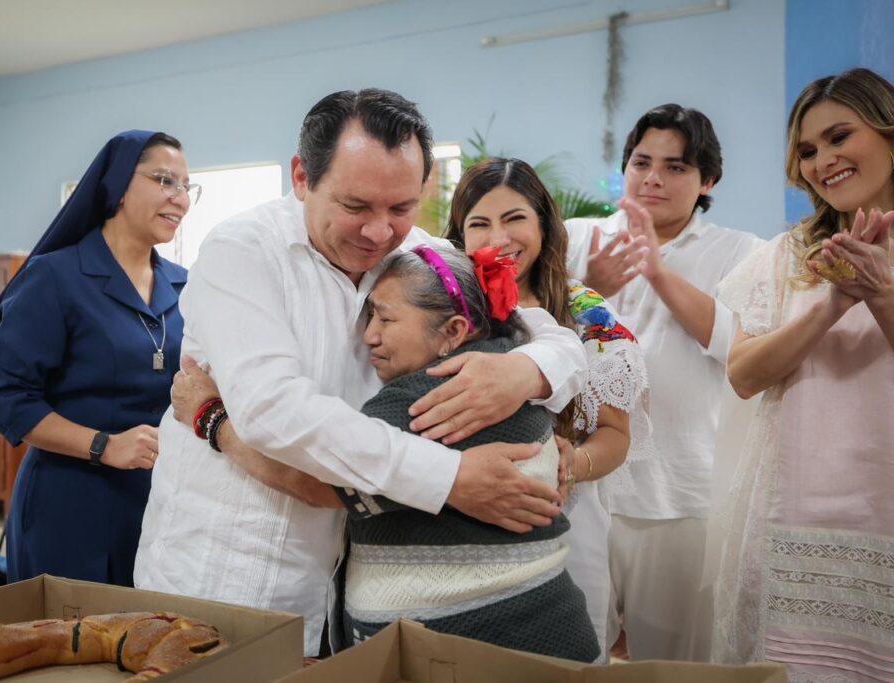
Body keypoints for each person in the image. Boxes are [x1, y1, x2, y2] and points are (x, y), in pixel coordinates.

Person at [134, 89, 588, 656]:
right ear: (303, 177)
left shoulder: (415, 253)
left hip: (348, 588)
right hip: (229, 571)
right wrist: (451, 479)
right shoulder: (242, 252)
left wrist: (525, 371)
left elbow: (557, 339)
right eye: (356, 207)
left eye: (401, 208)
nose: (379, 232)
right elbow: (273, 410)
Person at [331, 245, 599, 661]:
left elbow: (315, 480)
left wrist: (221, 419)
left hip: (467, 653)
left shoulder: (424, 401)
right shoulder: (507, 361)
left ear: (454, 331)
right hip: (553, 632)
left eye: (385, 319)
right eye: (369, 316)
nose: (369, 335)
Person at [712, 67, 894, 681]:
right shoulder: (788, 256)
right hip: (795, 515)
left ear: (889, 133)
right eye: (808, 151)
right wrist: (834, 303)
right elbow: (743, 375)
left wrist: (882, 294)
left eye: (840, 137)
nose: (823, 161)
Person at [564, 104, 760, 661]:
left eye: (675, 167)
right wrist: (589, 285)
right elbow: (529, 330)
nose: (653, 178)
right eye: (642, 162)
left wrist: (656, 269)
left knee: (675, 663)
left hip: (679, 492)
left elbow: (738, 350)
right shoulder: (579, 239)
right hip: (581, 485)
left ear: (708, 180)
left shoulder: (739, 251)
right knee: (577, 655)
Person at [444, 157, 651, 661]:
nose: (499, 238)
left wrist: (572, 463)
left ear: (543, 223)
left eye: (515, 218)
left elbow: (615, 433)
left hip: (566, 523)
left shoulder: (587, 313)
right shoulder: (441, 309)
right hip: (460, 520)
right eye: (479, 223)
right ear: (459, 236)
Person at [0, 130, 194, 586]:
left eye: (186, 186)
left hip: (158, 505)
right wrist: (104, 445)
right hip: (70, 507)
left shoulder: (185, 285)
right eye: (165, 180)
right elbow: (6, 400)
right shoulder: (54, 277)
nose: (180, 199)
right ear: (118, 185)